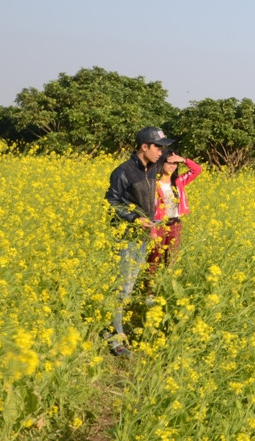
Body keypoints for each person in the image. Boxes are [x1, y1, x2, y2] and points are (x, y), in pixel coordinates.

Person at [104, 126, 174, 357]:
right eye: (158, 147)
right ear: (144, 147)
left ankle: (115, 327)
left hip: (143, 236)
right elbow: (111, 202)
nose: (162, 153)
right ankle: (114, 335)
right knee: (122, 287)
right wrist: (134, 218)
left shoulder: (151, 167)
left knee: (130, 285)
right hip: (126, 236)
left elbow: (171, 160)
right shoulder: (123, 172)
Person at [147, 149, 202, 277]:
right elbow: (148, 207)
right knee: (154, 259)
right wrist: (152, 230)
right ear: (161, 163)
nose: (172, 166)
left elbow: (197, 170)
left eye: (174, 163)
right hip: (158, 224)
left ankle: (167, 287)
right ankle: (148, 292)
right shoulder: (153, 183)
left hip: (175, 225)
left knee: (171, 260)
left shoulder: (178, 181)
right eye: (168, 162)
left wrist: (183, 160)